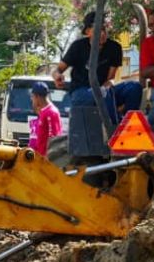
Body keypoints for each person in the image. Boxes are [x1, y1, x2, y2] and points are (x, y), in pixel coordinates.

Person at [52, 11, 140, 159]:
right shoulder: (78, 47)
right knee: (97, 94)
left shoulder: (114, 48)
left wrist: (105, 88)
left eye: (105, 29)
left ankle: (127, 126)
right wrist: (57, 76)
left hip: (104, 91)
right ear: (88, 31)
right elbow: (58, 70)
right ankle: (112, 129)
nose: (103, 33)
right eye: (98, 29)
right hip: (81, 92)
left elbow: (110, 79)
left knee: (134, 88)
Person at [27, 81, 63, 157]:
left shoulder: (51, 112)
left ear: (37, 97)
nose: (32, 99)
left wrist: (47, 158)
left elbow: (53, 137)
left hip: (46, 160)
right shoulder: (44, 112)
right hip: (40, 158)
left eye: (32, 97)